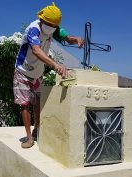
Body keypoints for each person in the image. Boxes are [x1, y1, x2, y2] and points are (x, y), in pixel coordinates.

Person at [13, 2, 83, 148]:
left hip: (38, 73)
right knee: (24, 104)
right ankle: (29, 138)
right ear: (42, 20)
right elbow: (36, 51)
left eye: (54, 25)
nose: (51, 28)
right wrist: (55, 65)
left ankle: (37, 130)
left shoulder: (53, 29)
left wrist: (75, 39)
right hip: (23, 71)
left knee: (38, 102)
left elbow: (66, 38)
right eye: (49, 24)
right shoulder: (33, 29)